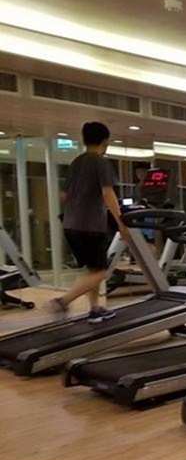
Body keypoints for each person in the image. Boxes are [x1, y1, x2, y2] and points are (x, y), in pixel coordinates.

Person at [49, 121, 130, 322]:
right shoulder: (101, 163)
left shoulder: (76, 163)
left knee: (93, 269)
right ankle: (63, 301)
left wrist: (80, 201)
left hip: (70, 225)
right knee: (102, 272)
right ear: (105, 141)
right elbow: (108, 194)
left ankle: (95, 308)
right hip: (91, 226)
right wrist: (121, 223)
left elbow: (63, 195)